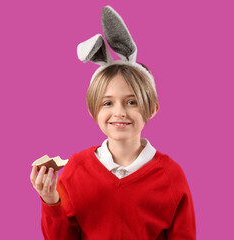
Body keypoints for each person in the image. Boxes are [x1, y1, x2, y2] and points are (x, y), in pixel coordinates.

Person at [30, 5, 195, 239]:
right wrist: (51, 202)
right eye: (108, 103)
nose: (120, 112)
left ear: (153, 108)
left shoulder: (171, 175)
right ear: (93, 110)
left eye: (132, 102)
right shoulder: (76, 169)